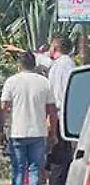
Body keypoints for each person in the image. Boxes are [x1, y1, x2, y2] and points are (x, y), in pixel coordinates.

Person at [0, 52, 59, 185]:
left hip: (17, 132)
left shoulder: (11, 81)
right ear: (34, 64)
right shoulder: (44, 82)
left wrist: (1, 130)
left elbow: (3, 107)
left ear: (19, 65)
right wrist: (53, 133)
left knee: (19, 169)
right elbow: (52, 111)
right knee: (35, 169)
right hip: (38, 132)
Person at [45, 36, 75, 185]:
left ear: (55, 48)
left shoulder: (63, 65)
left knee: (60, 157)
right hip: (60, 115)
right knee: (59, 156)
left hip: (60, 115)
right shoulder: (62, 64)